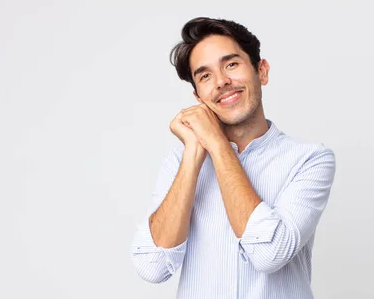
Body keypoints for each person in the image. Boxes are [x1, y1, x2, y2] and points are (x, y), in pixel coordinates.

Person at [130, 16, 336, 298]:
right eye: (205, 76)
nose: (222, 82)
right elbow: (153, 267)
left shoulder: (309, 160)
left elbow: (269, 253)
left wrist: (217, 144)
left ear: (261, 71)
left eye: (231, 64)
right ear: (198, 96)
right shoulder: (180, 161)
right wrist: (194, 153)